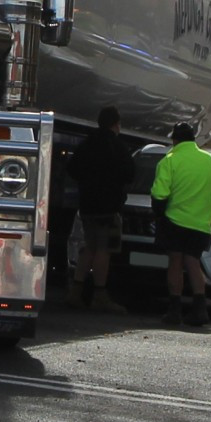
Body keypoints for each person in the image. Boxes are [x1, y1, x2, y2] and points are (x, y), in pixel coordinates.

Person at [150, 121, 211, 328]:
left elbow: (159, 194)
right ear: (193, 139)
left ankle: (174, 309)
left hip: (174, 220)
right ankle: (200, 307)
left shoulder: (170, 161)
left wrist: (159, 215)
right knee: (193, 261)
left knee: (175, 261)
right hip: (201, 223)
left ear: (174, 139)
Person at [66, 105, 136, 312]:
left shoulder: (87, 144)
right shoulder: (118, 147)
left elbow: (72, 168)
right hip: (108, 207)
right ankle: (99, 294)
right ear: (116, 124)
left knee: (89, 247)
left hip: (87, 204)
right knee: (104, 250)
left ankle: (76, 292)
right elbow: (130, 174)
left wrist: (87, 182)